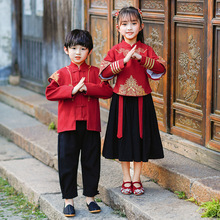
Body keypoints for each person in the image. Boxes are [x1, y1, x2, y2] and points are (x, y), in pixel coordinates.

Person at [99, 6, 166, 196]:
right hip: (121, 101)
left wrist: (141, 58)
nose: (129, 28)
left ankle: (137, 179)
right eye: (125, 24)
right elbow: (103, 73)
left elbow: (161, 68)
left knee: (139, 138)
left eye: (134, 24)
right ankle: (126, 179)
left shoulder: (146, 50)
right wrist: (123, 61)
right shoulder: (115, 50)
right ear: (118, 28)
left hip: (142, 101)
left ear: (141, 26)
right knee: (123, 139)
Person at [45, 29, 113, 217]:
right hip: (68, 126)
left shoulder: (96, 72)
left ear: (89, 51)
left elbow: (107, 91)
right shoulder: (61, 74)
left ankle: (90, 198)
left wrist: (87, 88)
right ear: (66, 50)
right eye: (73, 48)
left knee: (91, 161)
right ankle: (68, 200)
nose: (78, 52)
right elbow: (49, 93)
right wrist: (71, 90)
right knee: (68, 162)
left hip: (91, 125)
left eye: (83, 48)